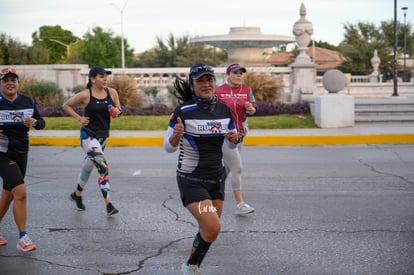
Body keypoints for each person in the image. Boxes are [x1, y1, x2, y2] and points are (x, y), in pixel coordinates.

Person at [164, 63, 239, 274]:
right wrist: (175, 137)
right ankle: (190, 267)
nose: (206, 84)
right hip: (192, 180)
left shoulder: (224, 109)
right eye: (201, 81)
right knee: (213, 226)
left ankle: (192, 265)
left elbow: (231, 143)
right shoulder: (183, 112)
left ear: (215, 82)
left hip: (217, 178)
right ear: (192, 84)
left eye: (210, 80)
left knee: (209, 230)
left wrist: (234, 139)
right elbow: (168, 147)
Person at [62, 66, 121, 216]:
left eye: (106, 76)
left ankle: (77, 194)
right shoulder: (85, 95)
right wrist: (79, 118)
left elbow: (119, 111)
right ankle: (108, 204)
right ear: (92, 79)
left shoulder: (112, 92)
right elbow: (66, 105)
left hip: (103, 137)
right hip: (88, 136)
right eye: (101, 76)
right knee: (102, 167)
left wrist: (116, 112)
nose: (105, 79)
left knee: (88, 167)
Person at [0, 67, 46, 252]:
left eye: (13, 80)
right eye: (6, 80)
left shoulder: (28, 101)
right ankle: (23, 238)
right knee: (21, 192)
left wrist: (34, 122)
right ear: (1, 84)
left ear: (18, 83)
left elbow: (41, 123)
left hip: (22, 153)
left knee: (8, 194)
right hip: (2, 153)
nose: (10, 83)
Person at [215, 63, 257, 215]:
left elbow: (253, 107)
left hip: (240, 135)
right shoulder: (218, 91)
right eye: (236, 73)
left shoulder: (246, 90)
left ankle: (212, 195)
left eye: (241, 73)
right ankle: (240, 204)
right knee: (237, 168)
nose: (239, 75)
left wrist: (251, 109)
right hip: (225, 136)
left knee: (226, 169)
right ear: (228, 75)